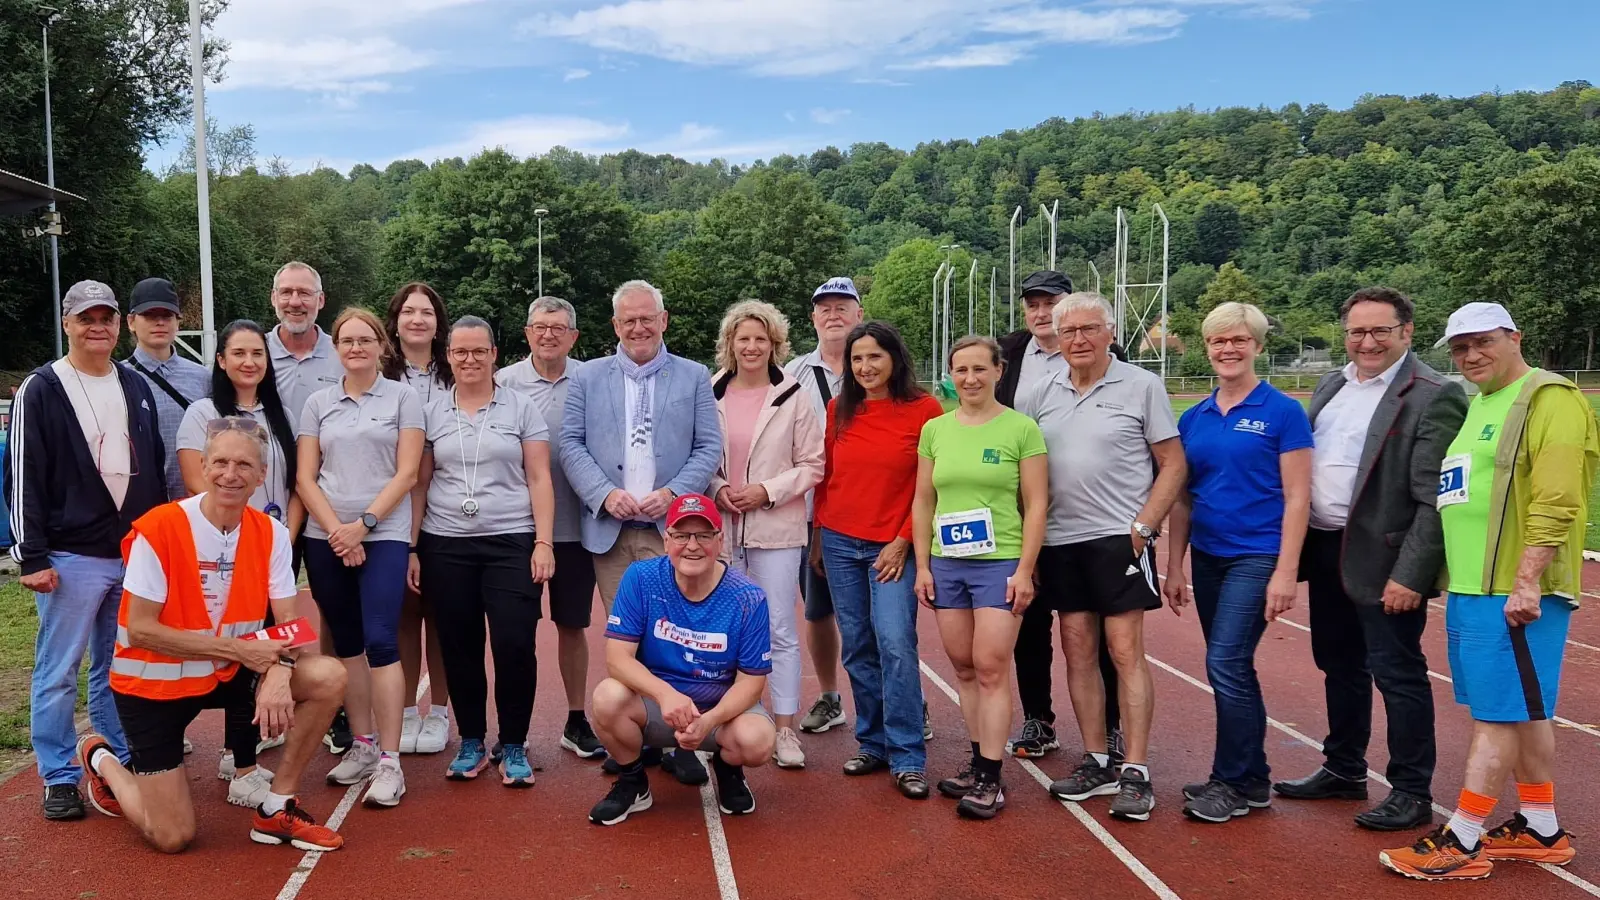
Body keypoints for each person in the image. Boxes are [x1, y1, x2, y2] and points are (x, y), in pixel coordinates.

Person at [1380, 302, 1598, 880]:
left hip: (1514, 591)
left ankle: (1464, 838)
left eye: (1483, 342)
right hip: (1474, 587)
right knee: (1521, 710)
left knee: (1498, 715)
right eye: (1460, 347)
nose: (1471, 355)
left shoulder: (1548, 398)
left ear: (1514, 338)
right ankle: (1540, 827)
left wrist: (1528, 582)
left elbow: (1558, 496)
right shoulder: (1480, 401)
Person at [77, 418, 347, 853]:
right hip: (155, 684)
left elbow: (290, 624)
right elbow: (140, 630)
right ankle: (102, 758)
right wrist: (237, 649)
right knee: (172, 837)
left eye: (244, 465)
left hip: (228, 672)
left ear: (261, 476)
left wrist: (281, 672)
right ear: (202, 467)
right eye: (220, 462)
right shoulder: (160, 528)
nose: (230, 474)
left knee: (328, 676)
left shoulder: (272, 532)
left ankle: (276, 807)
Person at [1273, 287, 1466, 831]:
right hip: (1327, 549)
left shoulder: (1434, 394)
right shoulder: (1333, 384)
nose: (1367, 341)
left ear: (1407, 331)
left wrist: (1411, 575)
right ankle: (1344, 768)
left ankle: (1411, 790)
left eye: (1381, 330)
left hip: (1386, 560)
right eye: (1357, 331)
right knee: (1338, 665)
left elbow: (1435, 499)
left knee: (1398, 674)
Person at [7, 280, 168, 820]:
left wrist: (155, 543)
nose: (97, 327)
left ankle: (118, 756)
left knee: (118, 665)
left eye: (106, 318)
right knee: (59, 671)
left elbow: (153, 461)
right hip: (70, 557)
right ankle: (58, 774)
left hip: (131, 553)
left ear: (119, 324)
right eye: (86, 318)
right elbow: (23, 473)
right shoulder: (42, 388)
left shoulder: (134, 382)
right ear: (67, 323)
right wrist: (31, 556)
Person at [1021, 293, 1185, 823]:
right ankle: (1096, 759)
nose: (1079, 339)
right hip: (1060, 541)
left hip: (1119, 539)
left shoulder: (1141, 385)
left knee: (1124, 650)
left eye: (1089, 328)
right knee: (1077, 649)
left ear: (1110, 332)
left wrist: (1144, 527)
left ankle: (1135, 769)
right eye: (1069, 331)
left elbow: (1173, 464)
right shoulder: (1041, 392)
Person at [559, 279, 722, 785]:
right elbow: (570, 444)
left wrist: (673, 494)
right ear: (615, 325)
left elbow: (708, 446)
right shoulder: (586, 377)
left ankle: (682, 740)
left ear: (663, 320)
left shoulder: (694, 376)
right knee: (627, 638)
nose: (638, 328)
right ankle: (638, 738)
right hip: (608, 530)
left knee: (676, 636)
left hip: (670, 532)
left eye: (646, 318)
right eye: (628, 320)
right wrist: (604, 493)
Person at [1164, 301, 1312, 823]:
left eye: (1239, 340)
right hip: (1209, 556)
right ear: (1207, 347)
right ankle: (1252, 779)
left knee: (1225, 663)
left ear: (1258, 346)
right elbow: (1183, 498)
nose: (1228, 349)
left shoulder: (1284, 411)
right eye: (1218, 341)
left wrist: (1286, 571)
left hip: (1258, 555)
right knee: (1231, 664)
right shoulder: (1194, 417)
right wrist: (1175, 566)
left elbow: (1298, 496)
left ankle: (1230, 781)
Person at [411, 316, 557, 787]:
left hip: (512, 540)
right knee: (459, 645)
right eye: (460, 352)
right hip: (445, 543)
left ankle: (513, 742)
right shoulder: (431, 411)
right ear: (448, 356)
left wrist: (543, 542)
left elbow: (539, 477)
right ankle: (471, 739)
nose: (469, 359)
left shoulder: (521, 407)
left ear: (494, 354)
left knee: (514, 643)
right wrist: (412, 547)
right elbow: (420, 484)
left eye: (479, 351)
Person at [912, 335, 1047, 819]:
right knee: (964, 667)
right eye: (961, 370)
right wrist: (923, 565)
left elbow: (1037, 504)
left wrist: (1025, 570)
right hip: (948, 563)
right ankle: (977, 760)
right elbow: (923, 499)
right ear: (951, 375)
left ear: (998, 371)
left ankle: (991, 776)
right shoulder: (936, 430)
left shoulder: (1021, 428)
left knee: (990, 667)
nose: (969, 379)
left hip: (1000, 562)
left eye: (979, 369)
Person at [296, 307, 425, 807]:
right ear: (336, 349)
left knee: (381, 640)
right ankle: (364, 744)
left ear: (381, 346)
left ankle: (391, 762)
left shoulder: (403, 398)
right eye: (347, 341)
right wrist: (337, 532)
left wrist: (363, 525)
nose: (356, 348)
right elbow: (306, 477)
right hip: (326, 537)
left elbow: (407, 472)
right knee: (346, 642)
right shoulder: (318, 403)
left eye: (365, 340)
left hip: (383, 533)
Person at [587, 494, 776, 825]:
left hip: (719, 713)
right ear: (666, 540)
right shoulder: (641, 578)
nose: (692, 545)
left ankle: (728, 769)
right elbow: (617, 659)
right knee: (607, 697)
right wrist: (665, 695)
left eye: (703, 535)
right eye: (681, 535)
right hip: (658, 708)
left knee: (757, 740)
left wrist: (710, 720)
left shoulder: (747, 597)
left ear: (719, 541)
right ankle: (633, 782)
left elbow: (751, 682)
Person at [815, 321, 944, 800]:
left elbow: (930, 487)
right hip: (839, 541)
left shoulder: (924, 409)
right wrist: (818, 537)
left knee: (895, 642)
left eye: (875, 356)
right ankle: (872, 742)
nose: (865, 367)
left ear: (894, 358)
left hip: (892, 546)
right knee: (857, 645)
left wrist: (904, 539)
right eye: (857, 359)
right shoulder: (839, 409)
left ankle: (908, 754)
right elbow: (827, 478)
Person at [997, 270, 1123, 762]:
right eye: (1033, 303)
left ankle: (1110, 726)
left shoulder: (1108, 359)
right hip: (1023, 512)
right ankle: (1038, 718)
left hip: (1090, 518)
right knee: (1028, 621)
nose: (1042, 312)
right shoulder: (1008, 353)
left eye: (1051, 302)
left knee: (1098, 630)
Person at [177, 319, 305, 794]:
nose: (249, 362)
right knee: (234, 645)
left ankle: (243, 752)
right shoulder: (203, 413)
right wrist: (241, 538)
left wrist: (283, 538)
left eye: (257, 354)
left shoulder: (281, 413)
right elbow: (199, 482)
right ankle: (227, 754)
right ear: (221, 360)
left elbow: (297, 482)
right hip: (222, 551)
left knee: (271, 641)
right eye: (239, 353)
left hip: (276, 545)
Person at [709, 300, 825, 769]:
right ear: (730, 344)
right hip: (722, 529)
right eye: (744, 338)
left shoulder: (793, 394)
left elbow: (813, 464)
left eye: (761, 338)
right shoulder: (710, 391)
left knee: (778, 628)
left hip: (776, 529)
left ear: (774, 344)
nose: (752, 346)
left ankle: (784, 728)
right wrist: (718, 488)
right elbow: (700, 453)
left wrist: (767, 491)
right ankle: (729, 720)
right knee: (725, 629)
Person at [498, 296, 603, 759]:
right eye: (540, 326)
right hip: (518, 529)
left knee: (572, 626)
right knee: (514, 633)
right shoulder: (503, 383)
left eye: (558, 327)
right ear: (527, 332)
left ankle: (576, 720)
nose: (548, 335)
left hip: (577, 529)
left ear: (573, 336)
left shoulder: (592, 379)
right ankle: (512, 730)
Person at [265, 260, 352, 755]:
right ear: (273, 298)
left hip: (324, 507)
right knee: (263, 612)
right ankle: (261, 702)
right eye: (287, 292)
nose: (295, 301)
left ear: (321, 300)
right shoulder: (255, 351)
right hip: (264, 508)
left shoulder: (341, 353)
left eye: (305, 293)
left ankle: (332, 704)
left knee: (330, 608)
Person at [787, 277, 864, 737]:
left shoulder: (876, 363)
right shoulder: (793, 372)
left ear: (859, 313)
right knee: (818, 611)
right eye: (825, 308)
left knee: (881, 616)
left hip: (867, 512)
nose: (833, 315)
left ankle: (904, 698)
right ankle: (830, 696)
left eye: (842, 306)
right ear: (813, 317)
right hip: (810, 512)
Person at [383, 283, 454, 755]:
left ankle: (441, 712)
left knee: (443, 617)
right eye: (408, 311)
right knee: (404, 616)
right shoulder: (379, 373)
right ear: (395, 321)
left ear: (437, 322)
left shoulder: (456, 370)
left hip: (447, 510)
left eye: (426, 312)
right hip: (395, 509)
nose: (417, 319)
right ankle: (406, 710)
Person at [124, 277, 211, 502]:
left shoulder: (203, 377)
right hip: (140, 502)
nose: (160, 323)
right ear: (131, 322)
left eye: (167, 316)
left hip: (194, 501)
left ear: (178, 322)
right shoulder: (119, 378)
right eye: (150, 315)